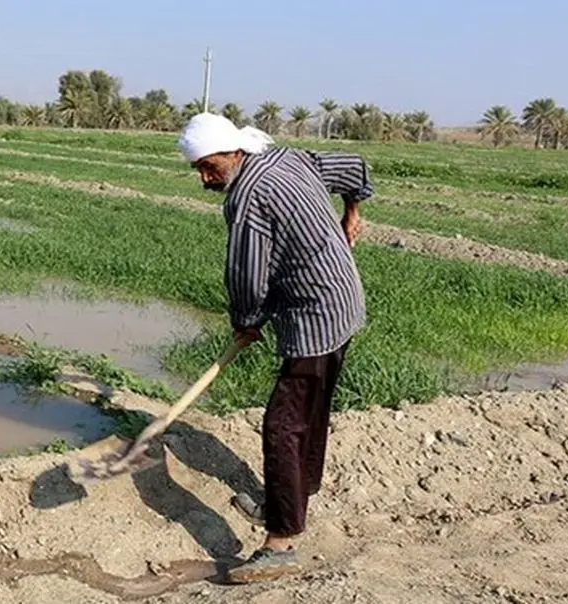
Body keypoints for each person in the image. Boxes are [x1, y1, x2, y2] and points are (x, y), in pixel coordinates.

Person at [176, 112, 374, 584]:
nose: (205, 178)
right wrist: (353, 209)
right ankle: (295, 494)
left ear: (232, 152)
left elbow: (246, 274)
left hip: (316, 315)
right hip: (342, 301)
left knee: (283, 424)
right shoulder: (287, 159)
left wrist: (245, 321)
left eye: (209, 166)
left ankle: (281, 541)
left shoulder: (247, 198)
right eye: (198, 170)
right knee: (310, 410)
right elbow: (355, 169)